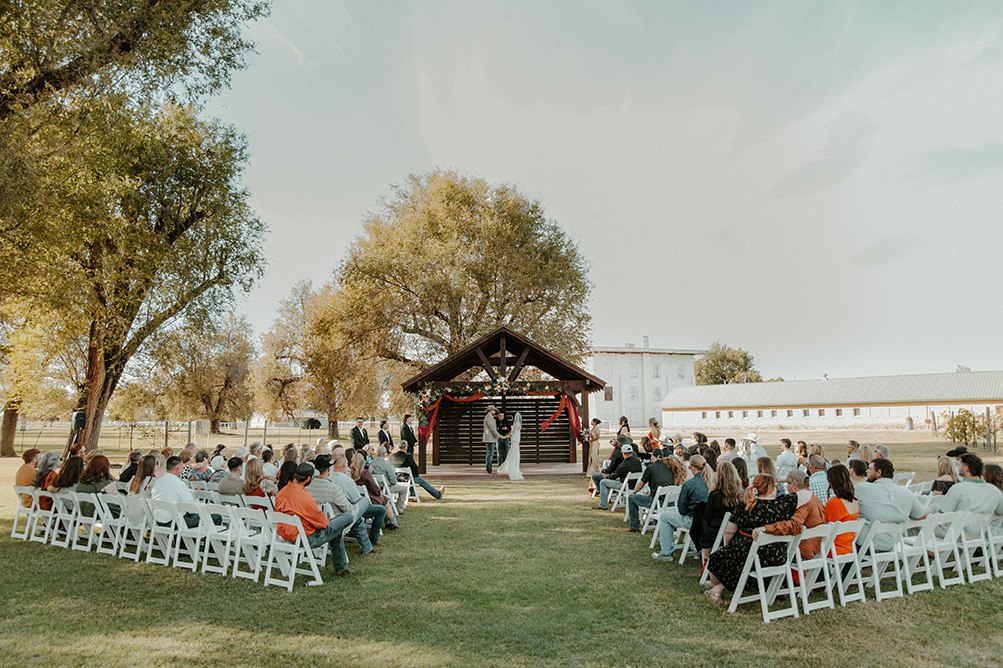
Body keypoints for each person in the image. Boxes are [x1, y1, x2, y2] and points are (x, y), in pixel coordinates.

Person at [705, 474, 814, 599]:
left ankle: (716, 587)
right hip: (777, 555)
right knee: (739, 556)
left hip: (749, 555)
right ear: (772, 489)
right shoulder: (782, 504)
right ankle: (718, 587)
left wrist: (728, 544)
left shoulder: (746, 506)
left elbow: (729, 531)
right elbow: (807, 494)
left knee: (718, 557)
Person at [278, 462, 356, 576]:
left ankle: (341, 568)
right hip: (307, 538)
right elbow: (323, 523)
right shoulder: (305, 498)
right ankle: (341, 567)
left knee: (336, 528)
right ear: (309, 479)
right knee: (347, 517)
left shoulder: (282, 493)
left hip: (286, 535)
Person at [854, 458, 926, 551]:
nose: (867, 471)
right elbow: (922, 515)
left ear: (878, 472)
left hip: (863, 547)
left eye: (870, 469)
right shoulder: (906, 492)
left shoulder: (861, 488)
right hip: (890, 546)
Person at [652, 455, 712, 561]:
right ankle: (696, 547)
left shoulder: (689, 484)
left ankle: (667, 552)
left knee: (665, 516)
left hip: (693, 521)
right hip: (709, 521)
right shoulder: (712, 481)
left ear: (693, 468)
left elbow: (682, 509)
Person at [762, 470, 826, 559]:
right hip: (815, 547)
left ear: (793, 486)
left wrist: (767, 528)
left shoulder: (804, 503)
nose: (786, 487)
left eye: (787, 484)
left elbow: (793, 525)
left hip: (801, 551)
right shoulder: (815, 499)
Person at [937, 452, 1003, 538]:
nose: (957, 468)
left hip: (957, 533)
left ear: (966, 468)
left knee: (920, 526)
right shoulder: (995, 491)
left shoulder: (958, 489)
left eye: (959, 465)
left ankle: (930, 551)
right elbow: (1001, 511)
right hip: (978, 534)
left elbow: (943, 514)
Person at [330, 455, 385, 549]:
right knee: (380, 509)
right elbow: (357, 500)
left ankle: (357, 536)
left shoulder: (330, 478)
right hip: (349, 510)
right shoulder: (346, 480)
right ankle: (373, 539)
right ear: (344, 464)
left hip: (334, 511)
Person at [700, 461, 744, 564]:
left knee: (704, 527)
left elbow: (708, 516)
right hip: (736, 530)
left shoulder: (715, 495)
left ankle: (706, 562)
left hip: (718, 530)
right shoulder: (741, 494)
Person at [626, 448, 676, 532]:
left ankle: (634, 526)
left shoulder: (650, 468)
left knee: (632, 498)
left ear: (653, 457)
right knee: (653, 495)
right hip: (670, 503)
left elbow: (641, 485)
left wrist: (633, 492)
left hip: (657, 503)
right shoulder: (669, 467)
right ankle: (656, 523)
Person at [350, 452, 397, 529]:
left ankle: (389, 522)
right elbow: (374, 488)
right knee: (385, 501)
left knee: (383, 500)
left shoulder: (350, 473)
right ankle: (392, 522)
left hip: (357, 498)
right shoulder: (365, 473)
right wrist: (378, 493)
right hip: (369, 499)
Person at [151, 456, 202, 527]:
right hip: (175, 521)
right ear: (178, 469)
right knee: (215, 517)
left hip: (159, 520)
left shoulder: (158, 482)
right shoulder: (179, 483)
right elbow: (190, 506)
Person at [823, 464, 859, 556]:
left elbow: (824, 526)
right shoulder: (854, 502)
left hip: (833, 549)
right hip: (848, 547)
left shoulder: (835, 503)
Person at [594, 443, 641, 510]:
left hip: (625, 485)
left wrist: (606, 477)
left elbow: (614, 476)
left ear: (623, 453)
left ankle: (603, 504)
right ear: (632, 452)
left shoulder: (624, 465)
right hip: (636, 485)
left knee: (603, 482)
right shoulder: (637, 461)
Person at [371, 446, 409, 516]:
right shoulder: (386, 465)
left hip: (373, 488)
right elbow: (393, 480)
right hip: (385, 488)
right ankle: (399, 509)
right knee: (404, 489)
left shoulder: (371, 464)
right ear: (384, 454)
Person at [126, 455, 158, 524]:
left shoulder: (133, 480)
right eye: (156, 464)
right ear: (152, 466)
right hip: (144, 517)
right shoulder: (151, 481)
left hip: (131, 515)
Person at [496, 412, 524, 481]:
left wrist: (505, 437)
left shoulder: (516, 424)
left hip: (514, 440)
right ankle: (512, 467)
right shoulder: (519, 424)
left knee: (513, 454)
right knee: (513, 454)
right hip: (516, 440)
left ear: (513, 417)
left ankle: (512, 469)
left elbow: (512, 433)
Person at [482, 405, 501, 474]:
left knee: (490, 453)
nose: (495, 412)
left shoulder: (490, 417)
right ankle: (489, 469)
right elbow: (492, 428)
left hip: (491, 438)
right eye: (494, 410)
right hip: (489, 438)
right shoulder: (488, 417)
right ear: (491, 410)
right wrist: (498, 436)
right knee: (490, 453)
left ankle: (489, 469)